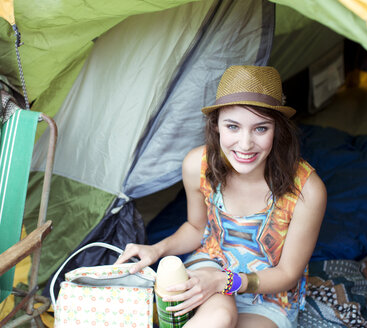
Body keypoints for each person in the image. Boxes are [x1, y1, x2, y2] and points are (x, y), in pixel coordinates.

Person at [115, 65, 327, 328]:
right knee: (219, 317)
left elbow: (287, 274)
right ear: (216, 126)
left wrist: (228, 281)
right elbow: (196, 227)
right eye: (233, 126)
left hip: (270, 293)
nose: (245, 144)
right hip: (211, 267)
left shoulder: (307, 189)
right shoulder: (197, 164)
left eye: (261, 129)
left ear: (278, 129)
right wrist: (156, 250)